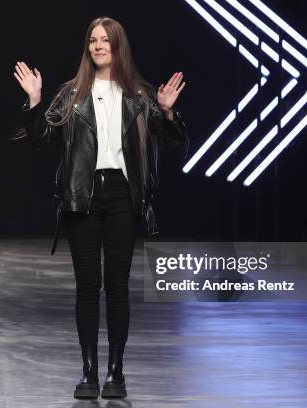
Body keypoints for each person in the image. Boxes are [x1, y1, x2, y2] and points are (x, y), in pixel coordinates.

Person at [13, 16, 188, 399]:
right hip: (83, 197)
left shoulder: (139, 95)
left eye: (105, 40)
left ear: (118, 46)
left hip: (124, 197)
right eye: (93, 40)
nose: (98, 46)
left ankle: (116, 373)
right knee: (87, 288)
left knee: (118, 288)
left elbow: (173, 140)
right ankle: (89, 374)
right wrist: (35, 100)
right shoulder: (71, 93)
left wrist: (169, 111)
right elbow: (41, 138)